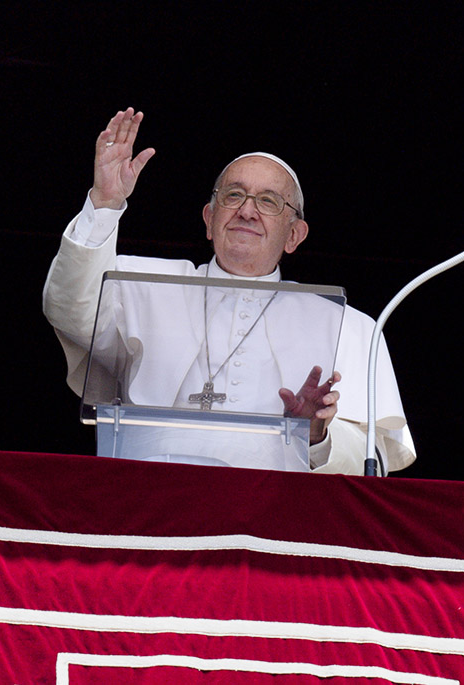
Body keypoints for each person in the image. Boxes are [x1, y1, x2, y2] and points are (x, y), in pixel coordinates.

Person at [43, 108, 415, 475]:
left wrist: (316, 434)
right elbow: (69, 308)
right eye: (234, 195)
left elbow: (374, 465)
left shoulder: (347, 326)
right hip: (149, 501)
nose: (247, 211)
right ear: (209, 220)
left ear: (294, 236)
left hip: (272, 516)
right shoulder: (141, 284)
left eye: (268, 201)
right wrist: (104, 204)